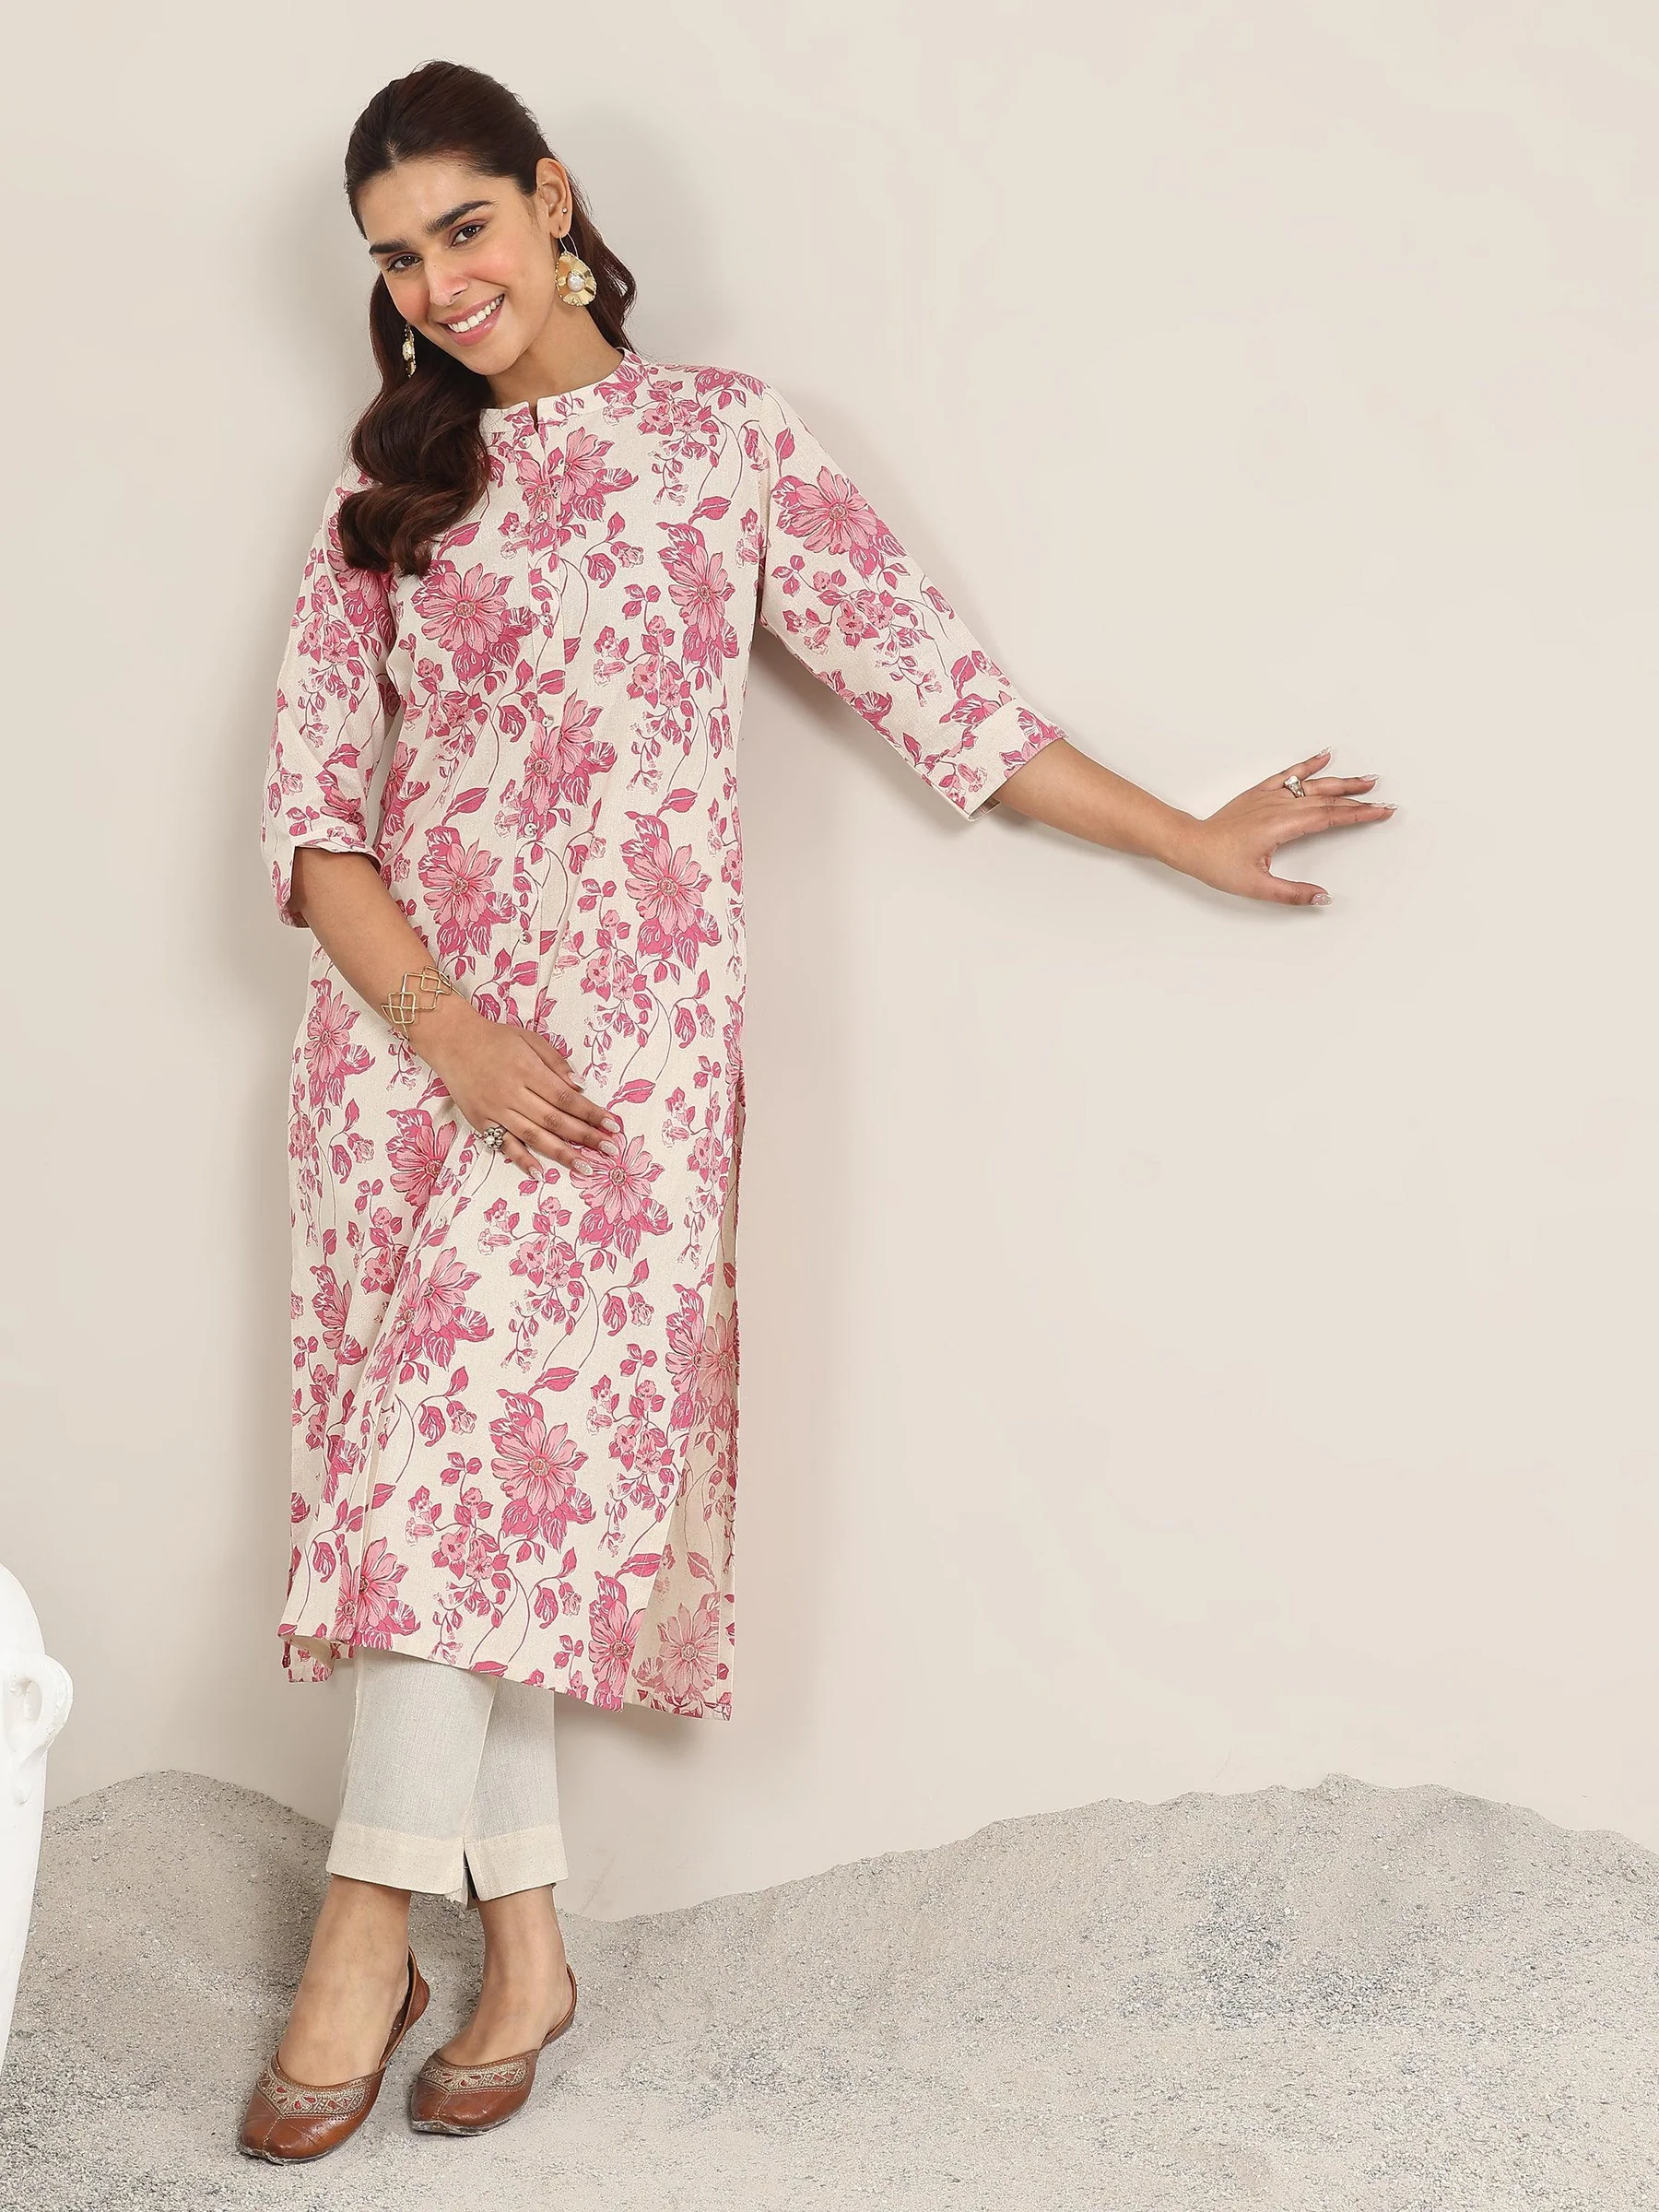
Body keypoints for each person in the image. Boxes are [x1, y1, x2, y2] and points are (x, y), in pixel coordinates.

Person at [241, 57, 1395, 2163]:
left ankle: (360, 1930)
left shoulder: (724, 443)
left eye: (465, 228)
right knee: (462, 1501)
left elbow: (941, 694)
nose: (437, 285)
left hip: (625, 1076)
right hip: (408, 1062)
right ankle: (529, 1957)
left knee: (451, 1488)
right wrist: (447, 1031)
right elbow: (315, 825)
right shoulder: (385, 493)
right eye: (396, 260)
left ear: (551, 199)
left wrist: (1183, 831)